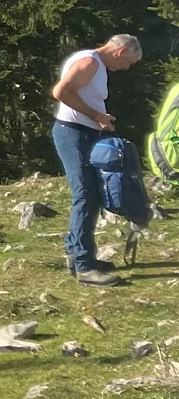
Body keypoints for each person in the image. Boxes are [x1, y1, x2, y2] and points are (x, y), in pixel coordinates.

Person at [51, 33, 143, 287]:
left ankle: (77, 254)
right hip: (73, 133)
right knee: (85, 195)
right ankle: (84, 267)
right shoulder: (90, 62)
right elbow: (61, 91)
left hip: (85, 133)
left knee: (91, 195)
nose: (126, 68)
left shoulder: (95, 63)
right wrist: (96, 116)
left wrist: (99, 120)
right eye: (128, 62)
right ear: (121, 52)